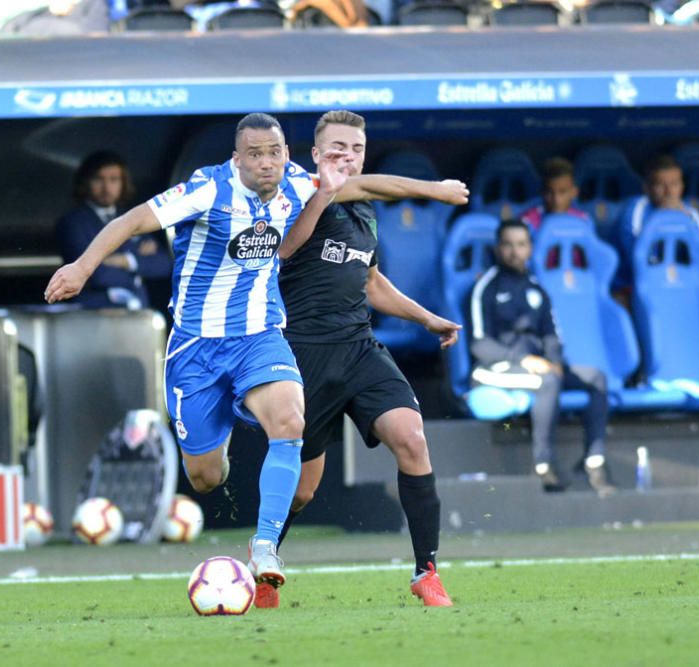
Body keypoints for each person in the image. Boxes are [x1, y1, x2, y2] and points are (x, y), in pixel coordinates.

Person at [44, 112, 468, 600]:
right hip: (197, 347)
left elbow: (368, 191)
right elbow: (132, 219)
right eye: (255, 154)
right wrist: (81, 266)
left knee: (292, 420)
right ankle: (222, 437)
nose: (266, 163)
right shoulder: (207, 189)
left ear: (286, 155)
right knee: (205, 478)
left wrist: (432, 190)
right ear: (237, 158)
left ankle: (266, 547)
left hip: (260, 336)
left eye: (274, 153)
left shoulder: (300, 183)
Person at [270, 110, 464, 609]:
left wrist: (427, 319)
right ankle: (264, 561)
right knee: (303, 490)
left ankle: (427, 572)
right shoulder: (295, 191)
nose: (346, 157)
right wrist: (434, 189)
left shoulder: (365, 212)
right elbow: (288, 251)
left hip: (359, 348)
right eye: (336, 147)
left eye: (355, 149)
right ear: (314, 154)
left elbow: (372, 283)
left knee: (411, 437)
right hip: (305, 355)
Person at [468, 219, 616, 497]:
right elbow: (479, 344)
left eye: (521, 245)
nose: (515, 251)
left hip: (538, 367)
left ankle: (593, 461)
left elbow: (552, 334)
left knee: (595, 377)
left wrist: (554, 359)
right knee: (547, 379)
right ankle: (543, 464)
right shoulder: (484, 288)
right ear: (498, 249)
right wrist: (522, 359)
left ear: (530, 249)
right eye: (508, 245)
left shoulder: (537, 288)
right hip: (494, 369)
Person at [55, 151, 172, 309]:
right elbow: (97, 274)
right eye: (99, 179)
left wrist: (127, 261)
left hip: (138, 313)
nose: (106, 187)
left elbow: (164, 264)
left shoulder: (132, 217)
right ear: (85, 182)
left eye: (114, 180)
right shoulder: (73, 222)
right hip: (96, 314)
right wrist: (138, 265)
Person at [517, 157, 590, 234]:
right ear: (542, 192)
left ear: (574, 192)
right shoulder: (527, 222)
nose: (556, 199)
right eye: (549, 192)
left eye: (562, 192)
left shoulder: (583, 220)